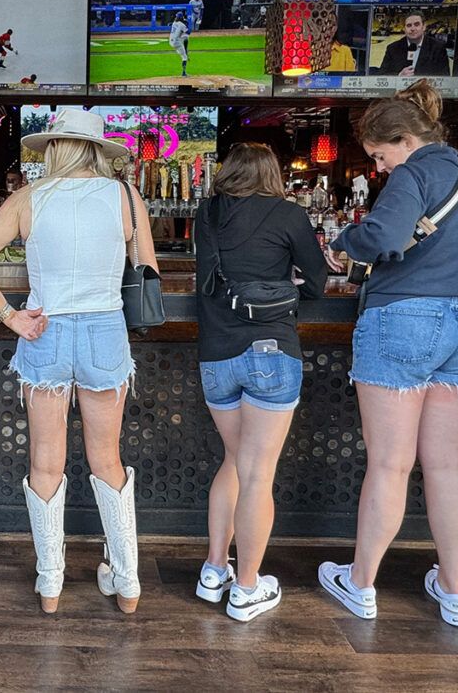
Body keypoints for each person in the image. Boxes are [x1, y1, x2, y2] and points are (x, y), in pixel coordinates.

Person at [319, 81, 458, 627]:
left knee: (391, 463)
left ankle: (361, 583)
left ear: (403, 139)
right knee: (446, 462)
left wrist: (343, 245)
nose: (378, 169)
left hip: (405, 319)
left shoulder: (414, 173)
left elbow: (383, 234)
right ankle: (453, 589)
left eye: (379, 156)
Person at [0, 109, 158, 615]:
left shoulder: (29, 198)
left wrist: (10, 317)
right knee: (108, 460)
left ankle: (51, 584)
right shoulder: (125, 198)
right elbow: (148, 270)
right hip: (104, 332)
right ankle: (128, 582)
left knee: (45, 463)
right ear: (97, 150)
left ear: (54, 149)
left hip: (44, 331)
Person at [192, 143, 327, 623]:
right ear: (271, 174)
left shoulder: (206, 214)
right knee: (256, 474)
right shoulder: (288, 214)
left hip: (216, 357)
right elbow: (317, 283)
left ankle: (214, 570)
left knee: (233, 461)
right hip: (270, 353)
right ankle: (247, 587)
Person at [378, 12, 451, 77]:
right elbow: (382, 74)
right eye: (409, 25)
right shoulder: (392, 48)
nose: (413, 28)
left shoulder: (438, 48)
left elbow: (444, 76)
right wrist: (399, 75)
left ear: (424, 26)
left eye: (416, 24)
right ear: (404, 29)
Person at [170, 13, 190, 77]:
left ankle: (183, 51)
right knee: (184, 57)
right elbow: (188, 32)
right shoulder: (182, 25)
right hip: (177, 42)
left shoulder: (174, 23)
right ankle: (184, 73)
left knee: (184, 38)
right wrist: (188, 26)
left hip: (171, 41)